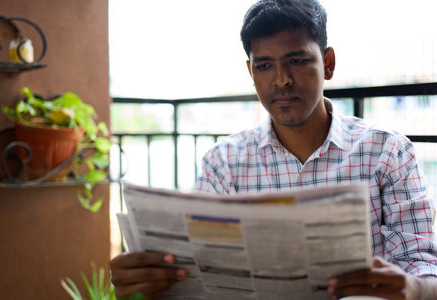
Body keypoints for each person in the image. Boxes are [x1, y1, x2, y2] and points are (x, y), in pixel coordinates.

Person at [110, 0, 437, 299]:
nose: (281, 80)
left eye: (296, 60)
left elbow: (421, 264)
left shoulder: (386, 151)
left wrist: (417, 288)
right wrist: (152, 283)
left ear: (328, 63)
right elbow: (203, 276)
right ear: (251, 73)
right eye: (264, 65)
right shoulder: (224, 163)